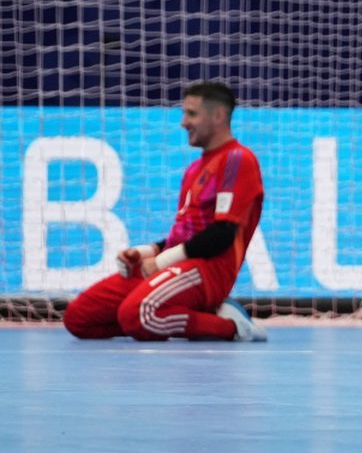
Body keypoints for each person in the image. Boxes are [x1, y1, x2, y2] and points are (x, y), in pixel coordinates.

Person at [63, 81, 267, 342]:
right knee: (80, 318)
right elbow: (187, 236)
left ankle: (233, 327)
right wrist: (146, 252)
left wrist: (160, 262)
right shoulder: (195, 168)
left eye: (192, 114)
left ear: (218, 116)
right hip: (177, 266)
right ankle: (190, 312)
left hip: (208, 271)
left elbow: (222, 234)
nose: (183, 122)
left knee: (139, 314)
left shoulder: (237, 159)